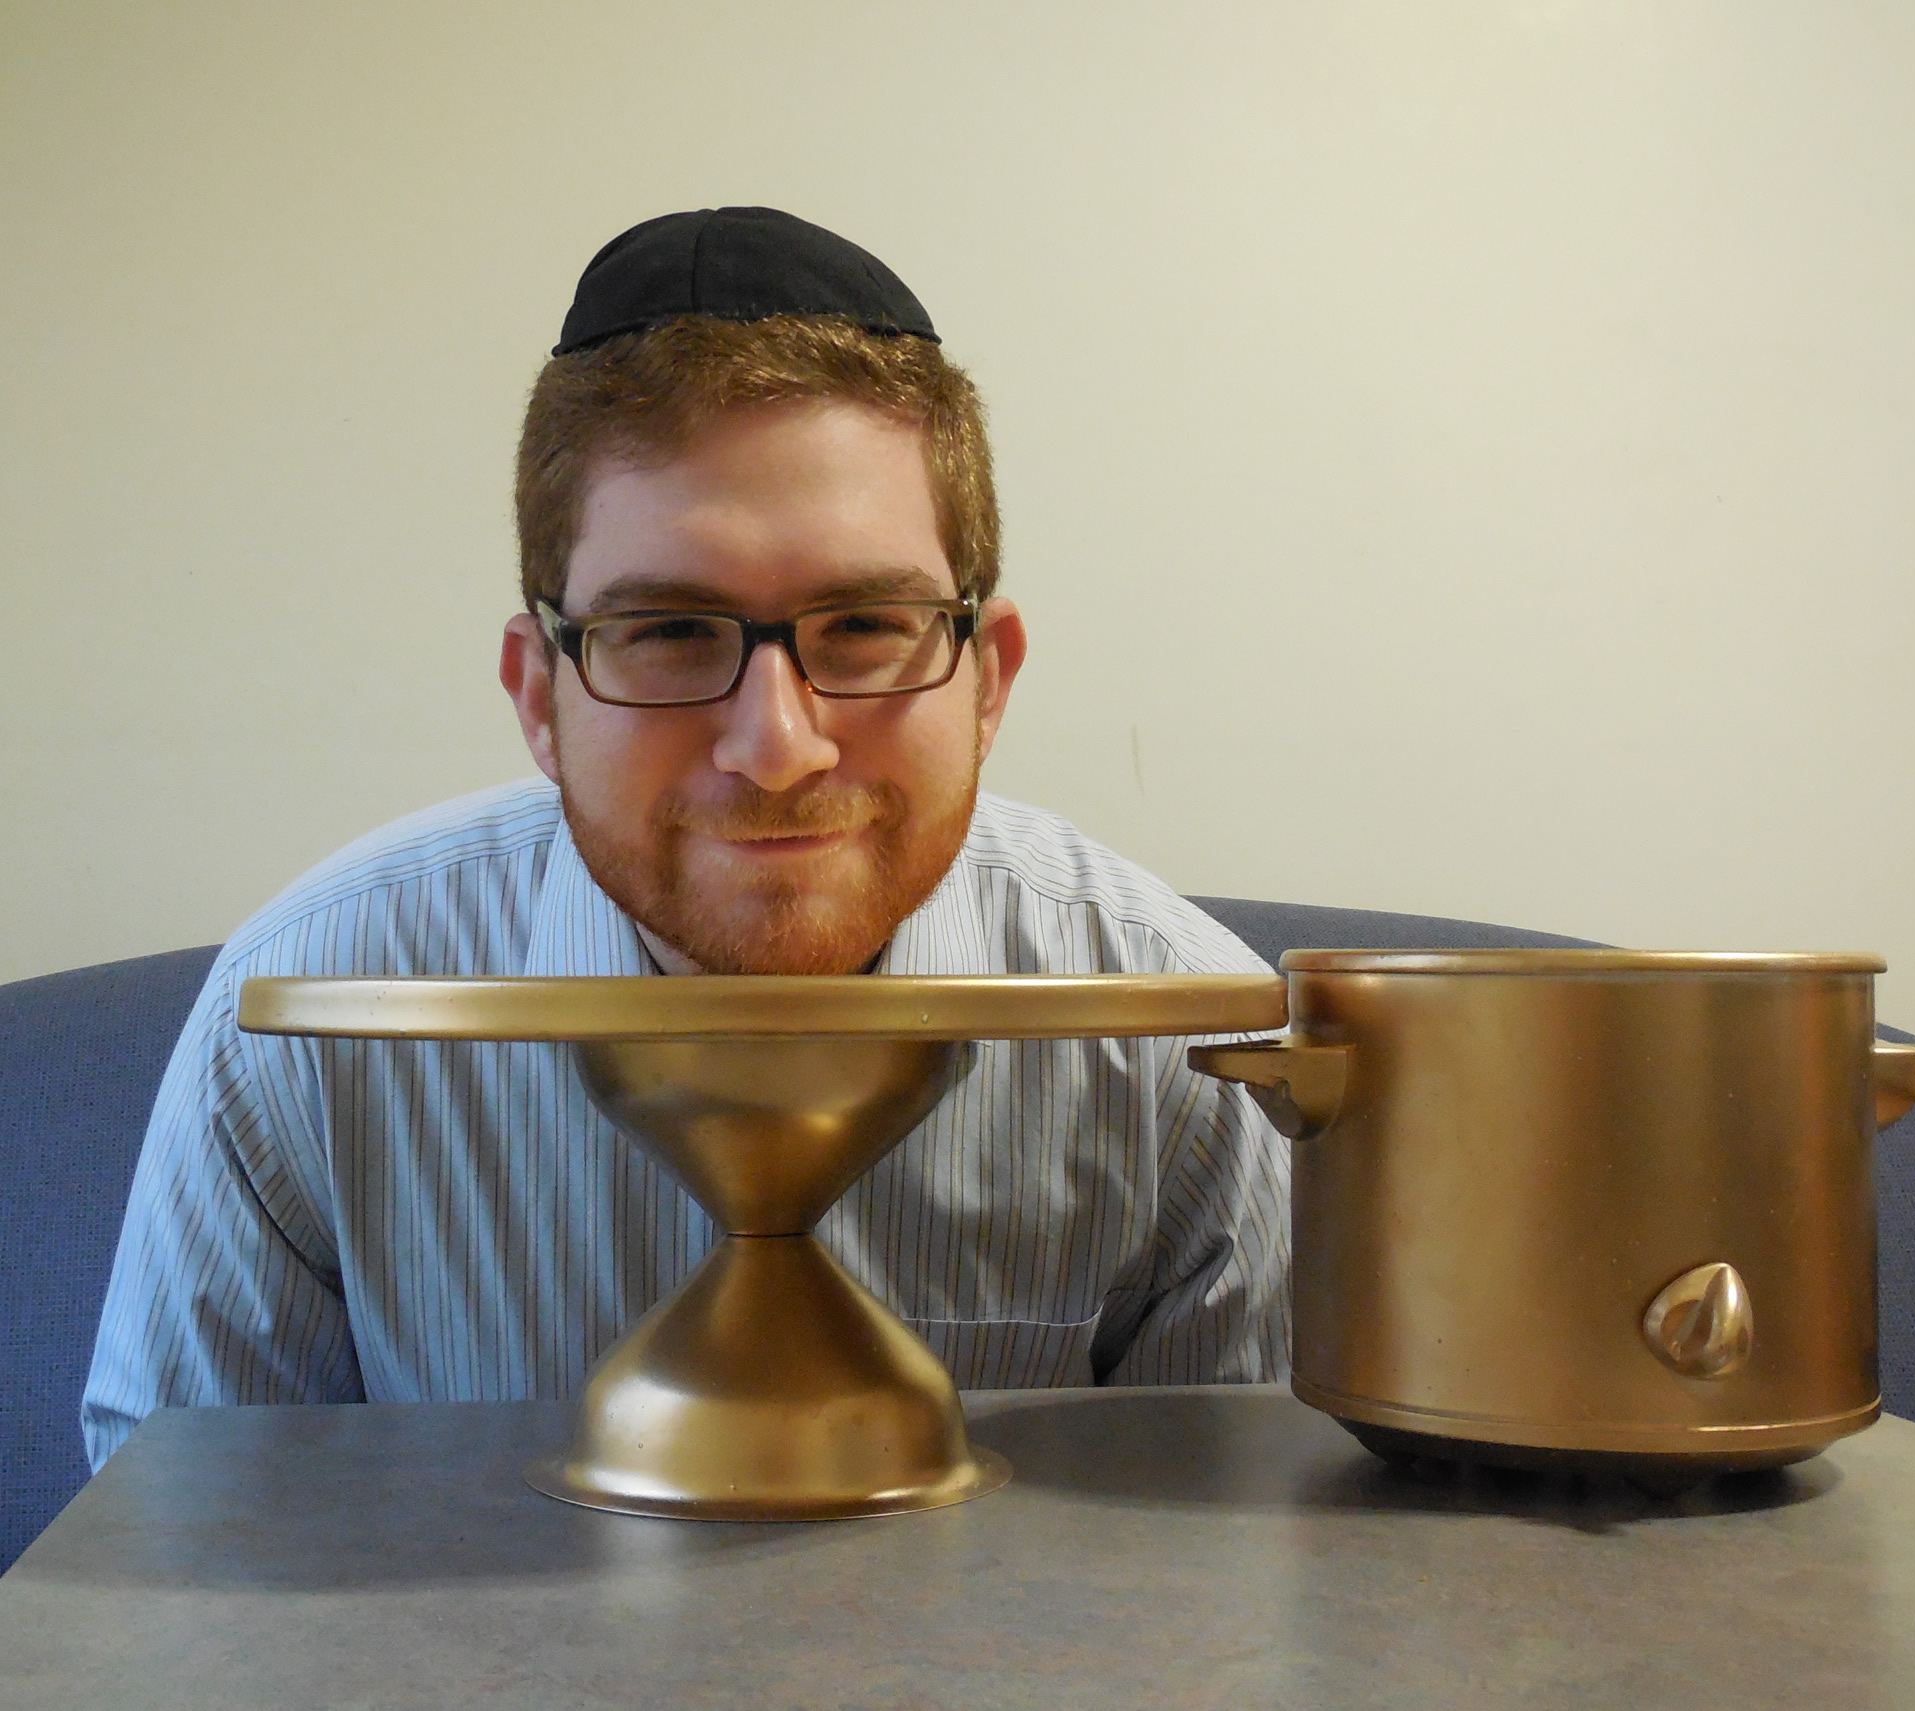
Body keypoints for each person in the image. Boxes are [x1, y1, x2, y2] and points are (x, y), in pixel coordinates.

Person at [83, 207, 1289, 1469]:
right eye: (667, 633)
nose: (776, 747)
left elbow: (1250, 1572)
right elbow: (176, 1545)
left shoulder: (1185, 1058)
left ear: (987, 679)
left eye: (868, 626)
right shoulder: (295, 1031)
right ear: (538, 695)